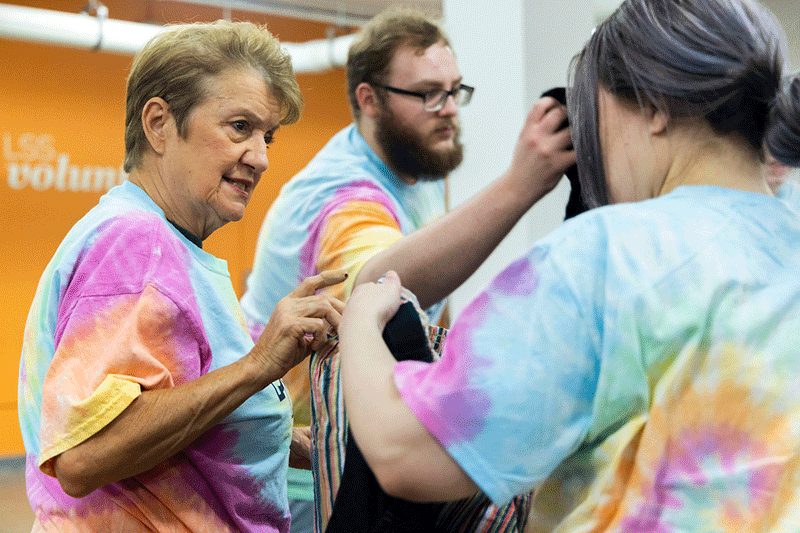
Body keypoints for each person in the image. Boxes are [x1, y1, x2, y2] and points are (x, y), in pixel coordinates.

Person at [338, 0, 800, 531]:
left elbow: (405, 454)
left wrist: (361, 323)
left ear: (652, 107)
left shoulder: (609, 255)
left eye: (597, 118)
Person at [238, 8, 574, 532]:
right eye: (427, 94)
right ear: (369, 99)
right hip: (299, 474)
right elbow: (382, 283)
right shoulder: (343, 196)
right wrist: (522, 182)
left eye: (455, 90)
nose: (448, 110)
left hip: (352, 446)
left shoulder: (407, 172)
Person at [17, 21, 346, 532]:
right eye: (239, 127)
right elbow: (85, 453)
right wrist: (259, 364)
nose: (260, 158)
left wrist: (302, 444)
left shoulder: (169, 244)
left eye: (268, 136)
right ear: (159, 124)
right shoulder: (134, 242)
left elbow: (178, 418)